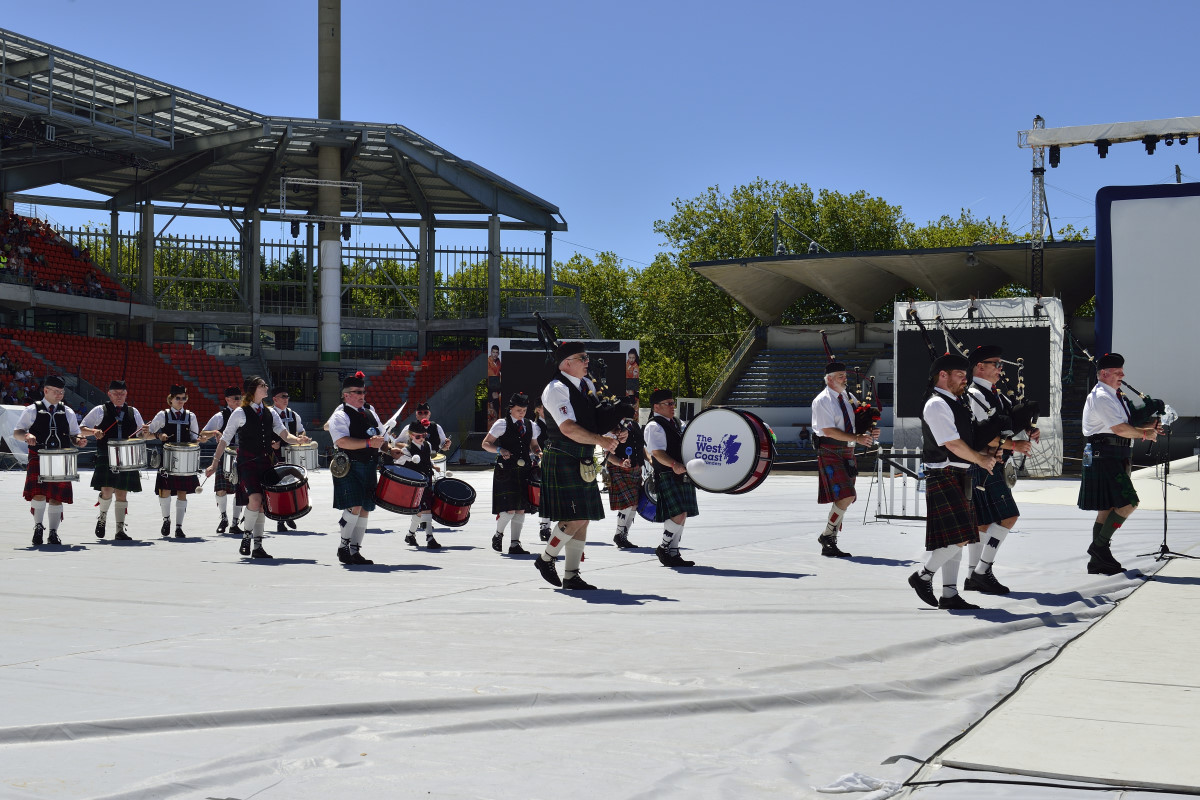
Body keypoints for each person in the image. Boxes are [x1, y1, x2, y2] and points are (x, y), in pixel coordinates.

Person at [907, 353, 999, 611]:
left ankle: (949, 594)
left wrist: (989, 449)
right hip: (944, 472)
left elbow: (968, 441)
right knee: (960, 536)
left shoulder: (956, 403)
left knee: (956, 538)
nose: (965, 380)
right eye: (960, 375)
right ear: (943, 376)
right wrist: (980, 460)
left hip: (959, 473)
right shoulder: (936, 404)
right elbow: (952, 444)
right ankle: (923, 576)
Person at [534, 342, 623, 590]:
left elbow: (591, 421)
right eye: (582, 358)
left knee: (583, 519)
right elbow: (568, 428)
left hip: (581, 456)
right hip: (563, 454)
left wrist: (614, 431)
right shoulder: (556, 389)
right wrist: (600, 441)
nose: (587, 361)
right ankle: (545, 559)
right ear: (566, 363)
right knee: (574, 518)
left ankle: (571, 575)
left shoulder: (586, 386)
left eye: (587, 357)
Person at [205, 376, 309, 559]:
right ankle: (247, 537)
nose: (266, 387)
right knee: (255, 499)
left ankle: (258, 546)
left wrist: (298, 440)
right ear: (253, 390)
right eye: (263, 385)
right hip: (247, 462)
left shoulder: (271, 412)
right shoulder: (240, 413)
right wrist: (214, 463)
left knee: (262, 505)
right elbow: (225, 439)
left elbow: (284, 434)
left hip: (266, 462)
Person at [962, 346, 1039, 593]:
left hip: (996, 463)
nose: (1000, 368)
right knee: (1009, 516)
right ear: (979, 367)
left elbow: (1007, 426)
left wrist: (1027, 429)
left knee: (983, 524)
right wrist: (1014, 444)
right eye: (995, 363)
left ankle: (972, 576)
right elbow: (978, 436)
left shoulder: (999, 396)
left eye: (1000, 364)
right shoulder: (974, 395)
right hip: (984, 462)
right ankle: (983, 571)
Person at [1077, 352, 1158, 575]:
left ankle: (1097, 562)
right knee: (1129, 502)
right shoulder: (1102, 396)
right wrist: (1145, 434)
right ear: (1104, 373)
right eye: (1117, 372)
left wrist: (1148, 427)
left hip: (1114, 453)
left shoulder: (1114, 394)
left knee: (1108, 507)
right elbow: (1120, 429)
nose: (1122, 375)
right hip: (1105, 454)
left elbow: (1125, 424)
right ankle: (1098, 548)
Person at [810, 360, 877, 558]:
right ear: (829, 379)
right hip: (830, 450)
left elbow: (859, 419)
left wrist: (870, 430)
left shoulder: (848, 397)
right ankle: (828, 536)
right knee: (846, 496)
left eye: (845, 376)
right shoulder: (822, 401)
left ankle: (828, 537)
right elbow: (829, 430)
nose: (845, 379)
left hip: (847, 452)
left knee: (845, 498)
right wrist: (856, 438)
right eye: (841, 376)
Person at [14, 375, 86, 547]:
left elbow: (75, 435)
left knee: (56, 497)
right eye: (56, 392)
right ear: (45, 391)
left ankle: (53, 532)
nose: (60, 395)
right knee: (38, 494)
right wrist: (27, 435)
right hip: (38, 456)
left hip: (61, 457)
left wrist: (79, 440)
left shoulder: (68, 412)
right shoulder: (31, 410)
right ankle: (38, 527)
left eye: (61, 392)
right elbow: (17, 432)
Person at [325, 373, 388, 565]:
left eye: (363, 392)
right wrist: (369, 443)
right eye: (357, 392)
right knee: (355, 506)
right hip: (349, 465)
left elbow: (381, 436)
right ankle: (343, 547)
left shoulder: (370, 413)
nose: (362, 395)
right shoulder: (340, 415)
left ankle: (355, 550)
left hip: (369, 465)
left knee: (365, 509)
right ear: (346, 395)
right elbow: (342, 441)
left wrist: (390, 450)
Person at [80, 380, 147, 541]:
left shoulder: (133, 412)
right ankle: (102, 517)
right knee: (107, 491)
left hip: (127, 457)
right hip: (106, 455)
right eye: (116, 393)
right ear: (109, 394)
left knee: (122, 494)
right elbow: (82, 429)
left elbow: (141, 433)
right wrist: (94, 431)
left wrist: (145, 432)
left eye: (122, 394)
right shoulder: (99, 410)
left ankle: (119, 530)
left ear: (126, 394)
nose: (119, 396)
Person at [644, 388, 701, 567]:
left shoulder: (676, 422)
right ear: (656, 406)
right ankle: (663, 547)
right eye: (668, 404)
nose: (672, 407)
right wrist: (674, 465)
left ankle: (674, 553)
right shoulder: (654, 425)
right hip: (668, 473)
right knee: (678, 513)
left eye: (672, 403)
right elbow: (657, 453)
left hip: (681, 472)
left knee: (682, 514)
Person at [146, 384, 212, 538]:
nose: (181, 401)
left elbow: (194, 438)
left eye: (184, 398)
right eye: (178, 398)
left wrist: (200, 439)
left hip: (185, 459)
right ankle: (166, 520)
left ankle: (179, 526)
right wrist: (158, 436)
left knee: (183, 492)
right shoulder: (162, 415)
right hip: (167, 458)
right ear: (171, 399)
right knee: (165, 491)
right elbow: (147, 434)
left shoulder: (191, 416)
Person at [482, 392, 542, 555]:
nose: (522, 413)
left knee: (521, 509)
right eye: (518, 410)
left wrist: (538, 452)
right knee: (509, 509)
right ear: (511, 409)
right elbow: (486, 444)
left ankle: (515, 544)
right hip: (506, 470)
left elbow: (534, 445)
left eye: (524, 410)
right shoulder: (501, 424)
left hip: (524, 470)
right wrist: (500, 450)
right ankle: (498, 534)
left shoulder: (531, 425)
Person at [203, 387, 246, 536]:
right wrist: (214, 432)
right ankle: (223, 518)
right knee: (221, 489)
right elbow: (202, 434)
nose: (238, 400)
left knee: (239, 490)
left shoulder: (246, 415)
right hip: (224, 454)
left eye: (240, 397)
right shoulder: (219, 416)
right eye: (235, 398)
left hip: (242, 455)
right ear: (227, 399)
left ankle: (235, 523)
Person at [608, 394, 645, 549]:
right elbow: (607, 454)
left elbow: (641, 448)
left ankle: (623, 535)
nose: (634, 409)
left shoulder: (634, 426)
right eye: (631, 406)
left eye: (634, 406)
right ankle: (619, 534)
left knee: (634, 504)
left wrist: (650, 461)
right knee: (628, 504)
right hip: (619, 468)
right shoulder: (612, 427)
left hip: (635, 468)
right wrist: (620, 462)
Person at [397, 421, 440, 549]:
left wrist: (433, 465)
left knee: (420, 511)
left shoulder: (427, 444)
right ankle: (430, 538)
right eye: (418, 436)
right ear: (411, 436)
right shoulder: (407, 450)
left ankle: (410, 535)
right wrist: (406, 459)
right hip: (415, 484)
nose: (421, 439)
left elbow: (427, 458)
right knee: (426, 509)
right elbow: (398, 462)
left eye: (423, 435)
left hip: (427, 479)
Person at [270, 386, 306, 532]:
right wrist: (271, 443)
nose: (286, 399)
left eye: (287, 396)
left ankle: (288, 515)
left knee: (291, 484)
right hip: (275, 455)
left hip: (291, 454)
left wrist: (302, 437)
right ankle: (281, 519)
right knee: (278, 486)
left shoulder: (293, 414)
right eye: (283, 396)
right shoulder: (270, 413)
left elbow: (300, 429)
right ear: (275, 399)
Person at [533, 400, 553, 542]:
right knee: (546, 495)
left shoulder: (556, 423)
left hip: (556, 461)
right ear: (538, 410)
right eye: (543, 408)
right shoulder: (535, 426)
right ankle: (544, 527)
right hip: (542, 463)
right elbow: (532, 445)